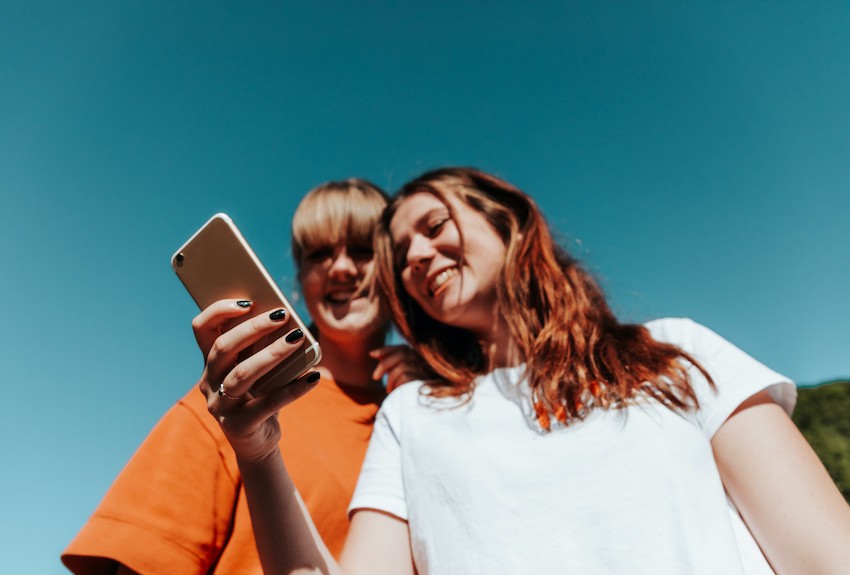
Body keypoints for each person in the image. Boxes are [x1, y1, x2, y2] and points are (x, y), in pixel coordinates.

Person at [199, 167, 850, 575]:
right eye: (400, 256)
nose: (417, 256)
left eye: (432, 225)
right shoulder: (412, 415)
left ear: (506, 220)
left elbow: (827, 555)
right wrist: (258, 452)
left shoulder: (676, 351)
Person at [62, 178, 424, 575]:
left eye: (361, 250)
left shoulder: (419, 417)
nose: (339, 268)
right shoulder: (237, 403)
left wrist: (426, 404)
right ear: (299, 281)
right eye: (319, 254)